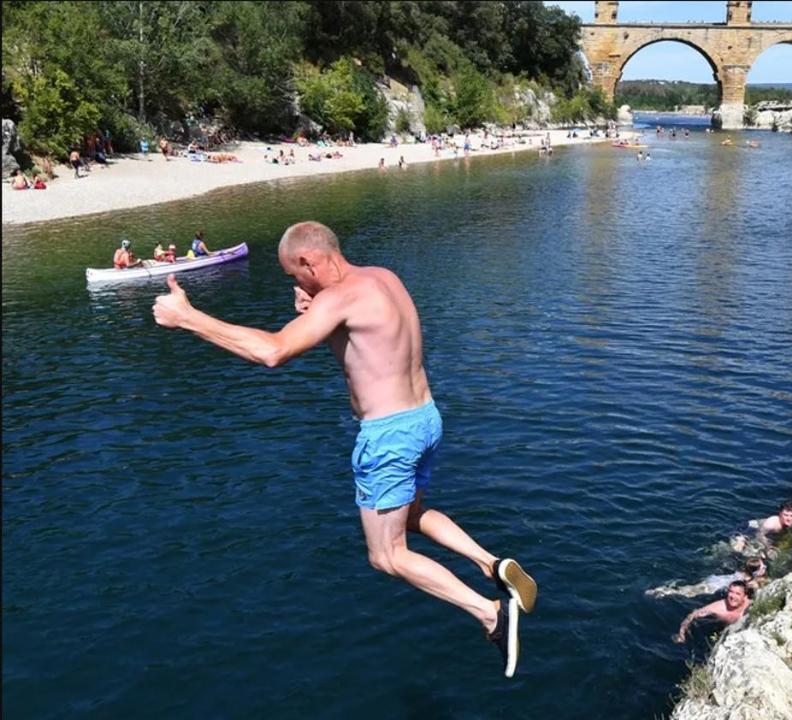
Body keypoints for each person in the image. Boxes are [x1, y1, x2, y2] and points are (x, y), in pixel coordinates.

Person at [152, 221, 537, 677]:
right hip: (425, 418)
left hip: (389, 433)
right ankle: (492, 565)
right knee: (411, 514)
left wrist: (188, 318)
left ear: (308, 261)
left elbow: (273, 352)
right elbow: (368, 342)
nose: (296, 286)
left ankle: (491, 613)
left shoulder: (339, 298)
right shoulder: (383, 278)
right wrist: (316, 305)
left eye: (295, 277)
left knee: (386, 555)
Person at [647, 558, 767, 599]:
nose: (765, 568)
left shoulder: (742, 572)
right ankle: (662, 592)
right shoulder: (750, 582)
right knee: (687, 593)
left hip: (715, 579)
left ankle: (664, 590)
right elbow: (755, 586)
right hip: (714, 586)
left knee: (690, 588)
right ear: (756, 572)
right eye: (763, 567)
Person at [674, 581, 751, 644]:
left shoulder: (749, 604)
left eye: (737, 594)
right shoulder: (718, 608)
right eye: (731, 592)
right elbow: (692, 615)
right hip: (725, 629)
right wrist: (681, 634)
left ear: (745, 597)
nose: (732, 596)